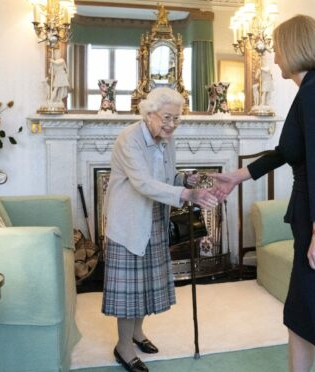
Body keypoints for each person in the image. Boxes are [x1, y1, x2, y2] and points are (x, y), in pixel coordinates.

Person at [211, 15, 315, 372]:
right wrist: (238, 176)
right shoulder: (311, 89)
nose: (275, 57)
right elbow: (287, 152)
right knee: (300, 317)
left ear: (294, 47)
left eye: (278, 48)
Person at [102, 87, 218, 372]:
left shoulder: (167, 140)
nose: (172, 124)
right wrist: (186, 195)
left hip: (154, 217)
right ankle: (123, 347)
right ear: (149, 114)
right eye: (167, 117)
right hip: (129, 221)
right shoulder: (129, 139)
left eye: (177, 119)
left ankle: (137, 333)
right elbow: (142, 182)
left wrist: (187, 179)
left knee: (145, 284)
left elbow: (166, 176)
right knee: (130, 290)